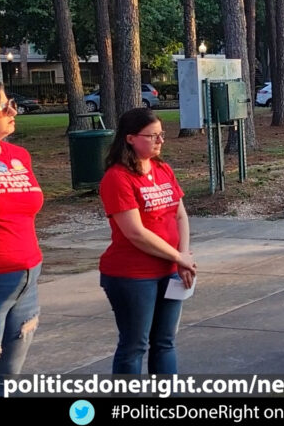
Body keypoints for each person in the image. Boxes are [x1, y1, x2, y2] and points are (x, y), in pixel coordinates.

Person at [99, 108, 196, 374]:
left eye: (161, 135)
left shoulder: (163, 168)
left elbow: (180, 214)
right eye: (152, 136)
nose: (160, 141)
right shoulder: (117, 177)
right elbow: (135, 233)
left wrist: (183, 256)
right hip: (133, 274)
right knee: (135, 345)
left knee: (165, 342)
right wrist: (178, 258)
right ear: (130, 138)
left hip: (171, 270)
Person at [0, 83, 44, 374]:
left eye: (10, 103)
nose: (13, 110)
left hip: (27, 277)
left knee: (10, 375)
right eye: (3, 108)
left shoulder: (18, 155)